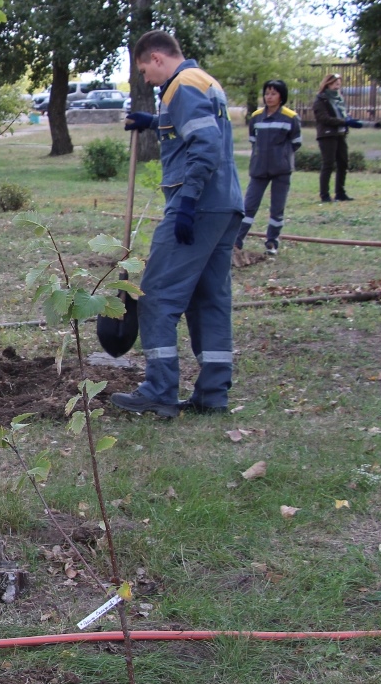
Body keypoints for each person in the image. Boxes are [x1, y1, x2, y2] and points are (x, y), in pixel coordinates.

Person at [114, 30, 243, 418]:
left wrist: (187, 202)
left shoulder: (180, 85)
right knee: (210, 299)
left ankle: (159, 390)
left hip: (198, 206)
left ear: (156, 58)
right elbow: (197, 130)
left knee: (155, 293)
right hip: (224, 206)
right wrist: (153, 122)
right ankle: (212, 394)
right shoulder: (204, 80)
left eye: (144, 71)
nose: (146, 80)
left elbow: (204, 146)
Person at [236, 79, 301, 256]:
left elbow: (296, 142)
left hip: (281, 169)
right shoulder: (256, 116)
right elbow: (253, 140)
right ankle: (237, 241)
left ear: (281, 96)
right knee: (248, 205)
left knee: (277, 208)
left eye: (273, 93)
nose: (269, 97)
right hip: (259, 169)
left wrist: (282, 156)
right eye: (266, 93)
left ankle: (272, 242)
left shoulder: (291, 117)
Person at [312, 72, 365, 202]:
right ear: (327, 83)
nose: (338, 85)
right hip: (327, 135)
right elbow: (323, 118)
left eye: (339, 83)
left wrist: (349, 120)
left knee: (343, 163)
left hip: (341, 134)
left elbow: (342, 115)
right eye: (335, 83)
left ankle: (340, 193)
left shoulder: (339, 99)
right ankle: (324, 195)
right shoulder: (321, 99)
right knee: (328, 164)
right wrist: (344, 122)